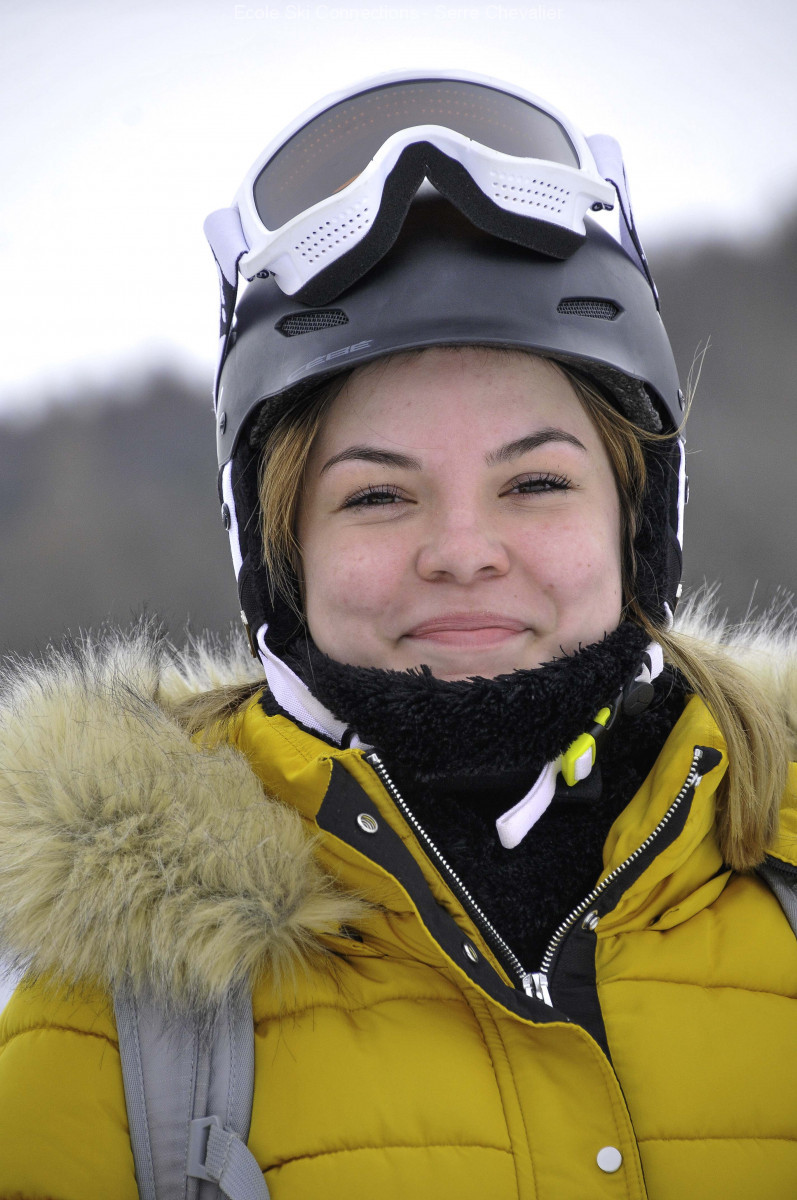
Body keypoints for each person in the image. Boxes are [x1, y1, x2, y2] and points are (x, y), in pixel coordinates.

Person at [0, 71, 795, 1199]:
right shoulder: (117, 1018)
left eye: (534, 482)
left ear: (636, 521)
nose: (461, 552)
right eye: (377, 495)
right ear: (282, 554)